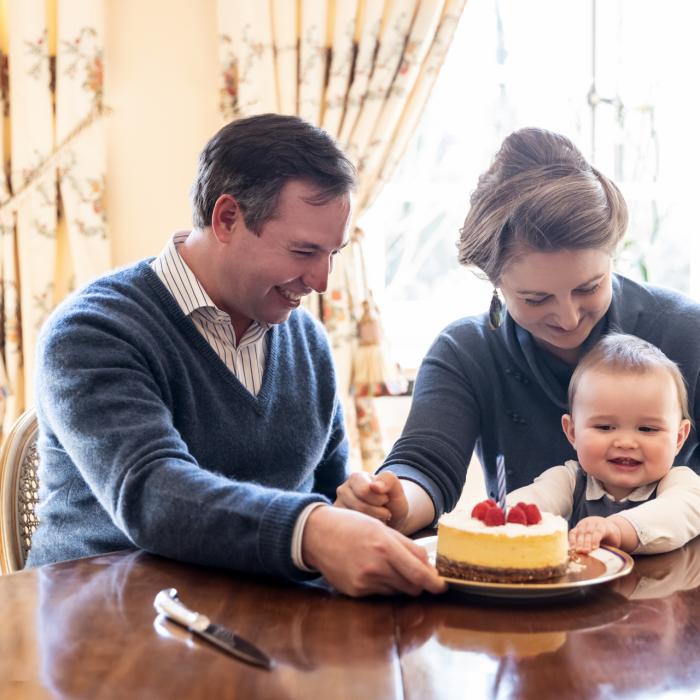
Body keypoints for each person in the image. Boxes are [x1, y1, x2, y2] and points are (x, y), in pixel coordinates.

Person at [27, 113, 445, 598]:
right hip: (103, 631)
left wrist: (356, 506)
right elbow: (151, 492)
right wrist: (312, 529)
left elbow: (326, 495)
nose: (322, 281)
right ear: (227, 218)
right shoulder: (93, 330)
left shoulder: (307, 341)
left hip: (263, 622)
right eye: (304, 251)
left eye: (333, 253)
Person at [335, 126, 700, 535]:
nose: (568, 317)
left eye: (588, 288)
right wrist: (393, 502)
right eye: (536, 299)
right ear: (495, 283)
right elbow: (425, 467)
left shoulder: (687, 332)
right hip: (526, 591)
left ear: (612, 254)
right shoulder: (465, 352)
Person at [508, 333, 700, 554]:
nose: (626, 443)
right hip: (580, 588)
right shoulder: (570, 480)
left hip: (660, 587)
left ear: (678, 438)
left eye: (647, 429)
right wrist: (504, 516)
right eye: (605, 427)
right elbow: (535, 499)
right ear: (572, 432)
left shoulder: (681, 484)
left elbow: (677, 513)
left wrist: (616, 529)